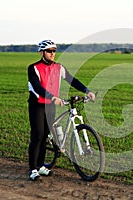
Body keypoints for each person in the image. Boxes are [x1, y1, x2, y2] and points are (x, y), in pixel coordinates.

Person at [27, 40, 95, 181]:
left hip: (50, 106)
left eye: (54, 51)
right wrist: (53, 98)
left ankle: (41, 166)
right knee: (38, 135)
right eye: (49, 51)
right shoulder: (33, 68)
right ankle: (33, 169)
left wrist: (87, 91)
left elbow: (72, 80)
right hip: (37, 105)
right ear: (42, 53)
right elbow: (37, 87)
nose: (52, 53)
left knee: (46, 134)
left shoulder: (59, 67)